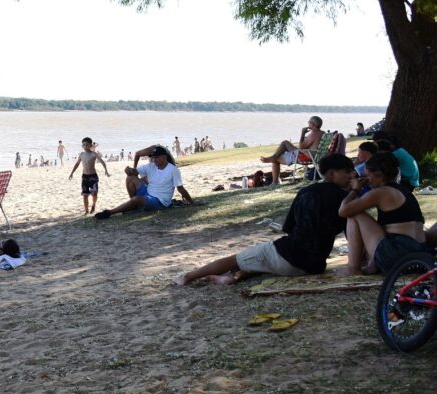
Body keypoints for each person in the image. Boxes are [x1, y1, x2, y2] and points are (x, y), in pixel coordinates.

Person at [173, 154, 354, 285]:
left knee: (234, 259)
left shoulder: (307, 192)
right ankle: (233, 277)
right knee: (259, 261)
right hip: (314, 265)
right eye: (347, 172)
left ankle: (188, 276)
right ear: (331, 174)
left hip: (290, 256)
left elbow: (289, 228)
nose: (351, 176)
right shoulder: (347, 200)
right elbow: (350, 233)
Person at [340, 153, 426, 275]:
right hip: (418, 257)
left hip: (398, 256)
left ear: (379, 176)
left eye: (368, 175)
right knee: (382, 226)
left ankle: (353, 268)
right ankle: (371, 265)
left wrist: (355, 190)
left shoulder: (381, 192)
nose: (367, 180)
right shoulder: (403, 190)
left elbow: (344, 211)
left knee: (355, 215)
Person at [95, 145, 194, 219]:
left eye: (157, 157)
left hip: (159, 201)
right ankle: (134, 205)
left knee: (136, 199)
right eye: (153, 157)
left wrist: (192, 202)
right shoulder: (151, 166)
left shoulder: (173, 170)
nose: (154, 160)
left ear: (164, 157)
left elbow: (180, 188)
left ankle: (110, 212)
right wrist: (128, 170)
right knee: (130, 178)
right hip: (148, 193)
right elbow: (134, 172)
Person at [259, 116, 325, 185]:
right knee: (285, 143)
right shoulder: (322, 133)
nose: (308, 125)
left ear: (312, 124)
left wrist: (302, 133)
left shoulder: (314, 133)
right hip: (314, 155)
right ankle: (273, 157)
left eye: (309, 123)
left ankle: (275, 181)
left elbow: (301, 147)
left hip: (305, 156)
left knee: (276, 159)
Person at [69, 137, 110, 215]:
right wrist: (72, 173)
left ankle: (93, 205)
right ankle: (86, 210)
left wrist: (106, 170)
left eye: (86, 145)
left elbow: (101, 161)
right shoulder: (81, 154)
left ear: (90, 145)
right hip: (84, 177)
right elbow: (77, 164)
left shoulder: (93, 154)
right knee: (85, 195)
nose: (85, 146)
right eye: (83, 145)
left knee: (94, 193)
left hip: (93, 177)